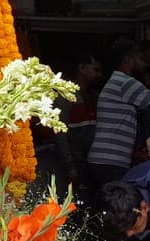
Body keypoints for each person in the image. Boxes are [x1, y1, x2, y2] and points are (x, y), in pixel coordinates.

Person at [88, 38, 150, 191]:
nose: (144, 65)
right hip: (111, 160)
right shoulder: (125, 83)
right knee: (118, 209)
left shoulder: (116, 80)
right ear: (128, 60)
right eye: (140, 59)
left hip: (104, 159)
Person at [52, 53, 103, 208]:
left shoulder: (92, 96)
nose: (99, 75)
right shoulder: (65, 97)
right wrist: (70, 168)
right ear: (82, 68)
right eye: (95, 69)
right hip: (77, 163)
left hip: (93, 162)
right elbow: (59, 134)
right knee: (79, 206)